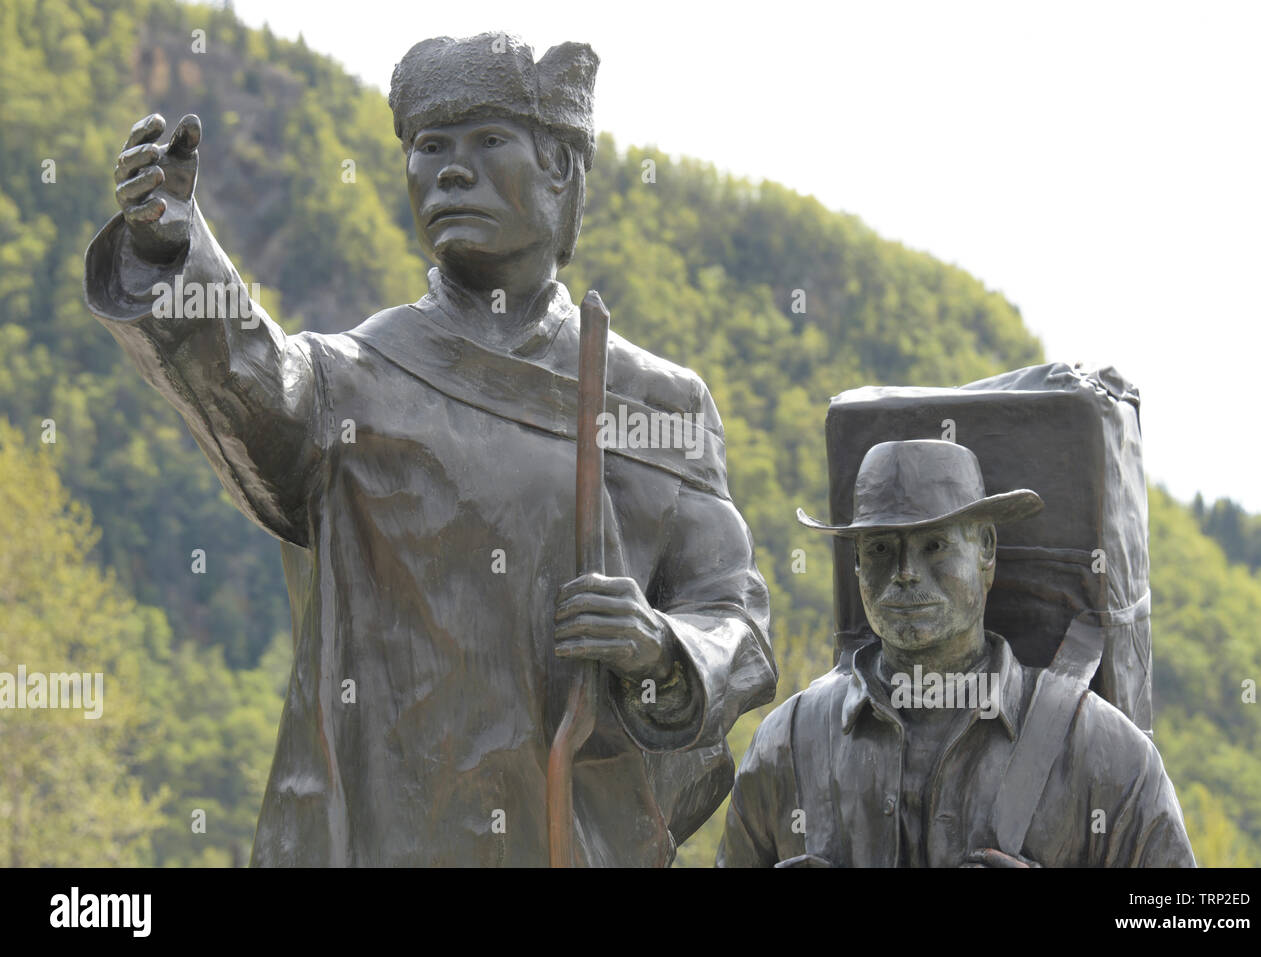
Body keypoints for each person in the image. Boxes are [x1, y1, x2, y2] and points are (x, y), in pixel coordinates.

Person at [84, 33, 775, 867]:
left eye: (487, 142)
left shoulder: (657, 405)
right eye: (427, 148)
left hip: (572, 839)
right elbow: (246, 375)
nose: (448, 170)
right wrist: (172, 246)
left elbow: (736, 621)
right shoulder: (350, 383)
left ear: (560, 167)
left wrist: (661, 647)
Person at [717, 440, 1193, 867]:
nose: (905, 572)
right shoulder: (788, 745)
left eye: (935, 545)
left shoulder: (1102, 751)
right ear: (857, 563)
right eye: (881, 548)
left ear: (986, 548)